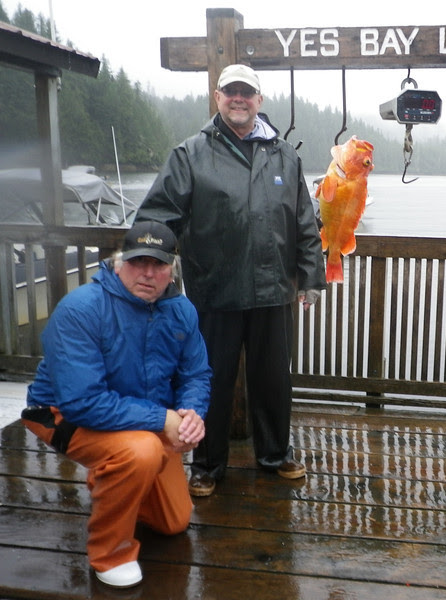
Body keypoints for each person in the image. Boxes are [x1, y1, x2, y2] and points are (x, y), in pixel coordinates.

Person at [135, 63, 326, 498]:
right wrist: (148, 268)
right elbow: (157, 217)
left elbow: (304, 222)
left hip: (274, 291)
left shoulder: (285, 155)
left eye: (247, 92)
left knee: (274, 380)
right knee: (209, 382)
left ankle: (275, 454)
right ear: (218, 97)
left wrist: (311, 276)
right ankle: (206, 464)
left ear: (259, 100)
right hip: (214, 292)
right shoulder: (190, 153)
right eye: (231, 91)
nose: (239, 99)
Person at [21, 221, 212, 588]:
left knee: (174, 521)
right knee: (140, 452)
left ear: (172, 269)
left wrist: (191, 413)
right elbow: (82, 402)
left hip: (138, 416)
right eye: (139, 262)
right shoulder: (81, 309)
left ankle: (111, 477)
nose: (148, 274)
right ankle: (111, 554)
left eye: (158, 264)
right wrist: (162, 419)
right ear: (120, 262)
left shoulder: (182, 310)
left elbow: (196, 374)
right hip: (60, 414)